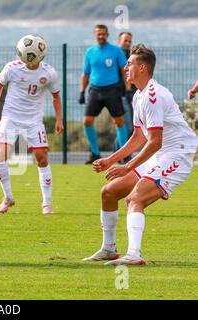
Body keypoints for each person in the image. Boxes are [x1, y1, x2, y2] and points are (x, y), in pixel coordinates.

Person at [83, 44, 198, 266]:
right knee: (108, 192)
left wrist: (126, 167)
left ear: (142, 68)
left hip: (176, 156)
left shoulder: (154, 96)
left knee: (134, 199)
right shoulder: (139, 96)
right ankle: (109, 249)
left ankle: (134, 255)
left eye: (130, 64)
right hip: (161, 154)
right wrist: (110, 160)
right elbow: (138, 137)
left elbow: (155, 142)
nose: (125, 68)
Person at [0, 38, 63, 215]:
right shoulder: (12, 68)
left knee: (41, 157)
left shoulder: (49, 73)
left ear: (40, 54)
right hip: (10, 117)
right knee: (0, 155)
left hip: (34, 120)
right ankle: (7, 197)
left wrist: (59, 119)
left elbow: (55, 96)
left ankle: (46, 202)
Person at [79, 24, 131, 164]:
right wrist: (82, 92)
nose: (101, 36)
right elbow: (85, 73)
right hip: (95, 91)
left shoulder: (116, 51)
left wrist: (128, 89)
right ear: (95, 35)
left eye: (103, 34)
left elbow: (124, 70)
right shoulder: (90, 52)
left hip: (112, 91)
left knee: (119, 122)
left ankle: (124, 155)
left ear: (107, 35)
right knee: (87, 121)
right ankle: (95, 154)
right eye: (98, 34)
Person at [114, 32, 137, 163]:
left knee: (132, 127)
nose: (127, 43)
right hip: (118, 96)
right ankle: (122, 155)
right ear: (119, 41)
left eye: (129, 41)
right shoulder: (115, 56)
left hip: (132, 95)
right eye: (125, 41)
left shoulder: (132, 57)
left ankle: (117, 153)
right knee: (125, 126)